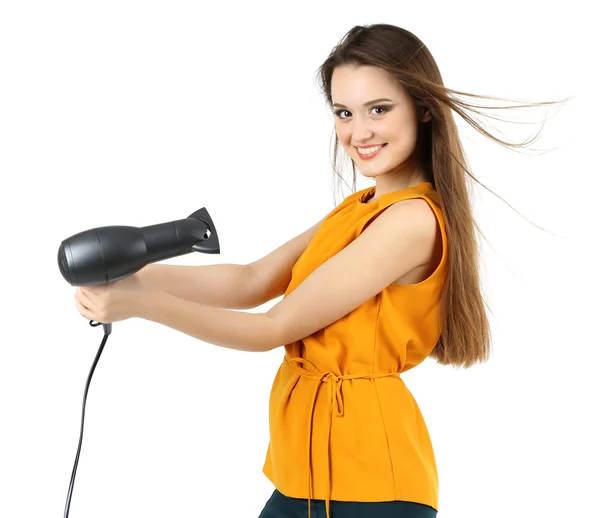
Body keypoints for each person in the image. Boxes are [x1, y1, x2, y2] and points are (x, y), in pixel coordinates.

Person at [75, 23, 569, 518]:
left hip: (372, 488)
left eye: (379, 109)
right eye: (344, 113)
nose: (360, 132)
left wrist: (144, 304)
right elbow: (250, 281)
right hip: (301, 474)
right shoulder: (362, 207)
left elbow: (274, 326)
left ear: (422, 108)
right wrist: (136, 276)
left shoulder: (411, 222)